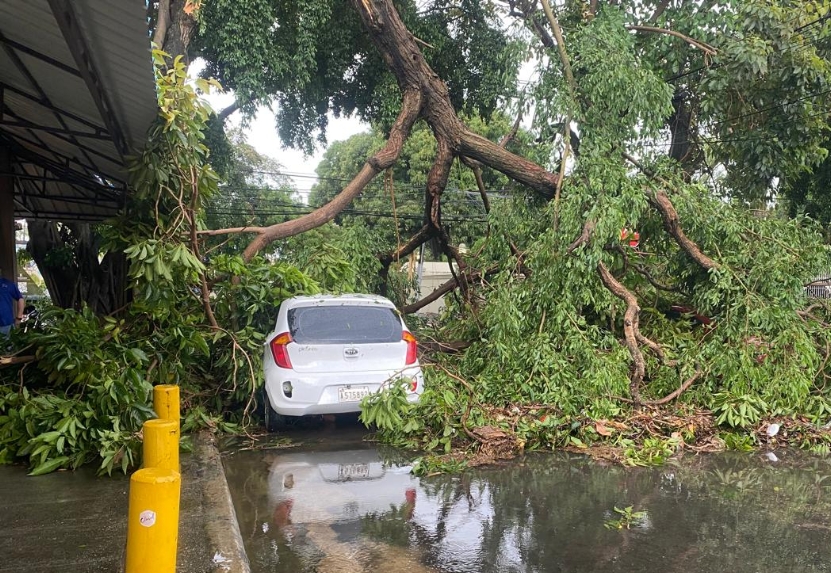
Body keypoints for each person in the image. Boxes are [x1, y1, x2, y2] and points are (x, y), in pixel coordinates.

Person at [0, 268, 24, 337]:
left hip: (6, 326)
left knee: (8, 346)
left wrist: (19, 318)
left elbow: (20, 299)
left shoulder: (8, 284)